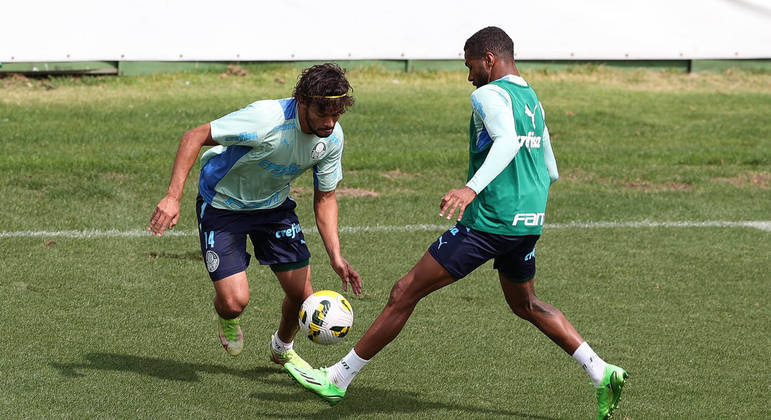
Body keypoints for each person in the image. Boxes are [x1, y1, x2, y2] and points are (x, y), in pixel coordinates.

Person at [285, 28, 627, 419]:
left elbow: (508, 141)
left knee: (404, 292)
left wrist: (471, 188)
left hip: (490, 222)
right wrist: (524, 203)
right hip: (528, 222)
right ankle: (602, 371)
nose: (469, 76)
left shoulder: (488, 94)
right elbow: (550, 170)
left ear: (489, 58)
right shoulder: (531, 99)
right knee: (526, 303)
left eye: (470, 65)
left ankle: (338, 378)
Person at [147, 63, 362, 370]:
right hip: (223, 205)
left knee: (303, 297)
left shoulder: (332, 138)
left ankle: (282, 348)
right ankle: (227, 317)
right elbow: (195, 136)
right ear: (303, 102)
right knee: (235, 302)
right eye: (322, 114)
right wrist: (172, 197)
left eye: (336, 114)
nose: (329, 123)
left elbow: (325, 197)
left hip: (273, 208)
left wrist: (336, 256)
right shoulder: (265, 119)